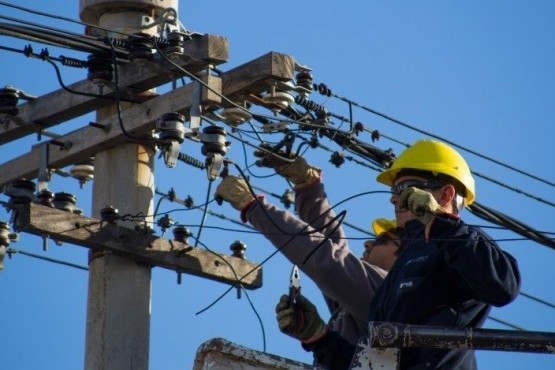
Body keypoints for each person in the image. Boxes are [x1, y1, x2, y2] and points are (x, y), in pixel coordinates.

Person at [275, 139, 522, 370]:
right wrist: (318, 337)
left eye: (404, 188)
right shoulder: (400, 272)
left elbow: (503, 286)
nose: (394, 198)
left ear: (445, 195)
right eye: (394, 190)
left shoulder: (461, 242)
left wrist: (440, 223)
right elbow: (374, 362)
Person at [214, 151, 401, 359]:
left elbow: (328, 262)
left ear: (403, 250)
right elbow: (332, 245)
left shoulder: (388, 291)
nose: (368, 243)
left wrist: (253, 207)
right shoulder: (363, 302)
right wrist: (309, 187)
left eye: (380, 240)